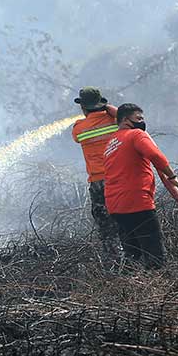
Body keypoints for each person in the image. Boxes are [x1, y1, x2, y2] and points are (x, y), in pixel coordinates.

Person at [102, 103, 178, 268]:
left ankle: (134, 286)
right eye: (138, 118)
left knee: (133, 253)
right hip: (137, 202)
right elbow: (155, 155)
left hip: (115, 206)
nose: (142, 122)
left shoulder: (111, 142)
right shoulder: (136, 134)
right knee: (153, 251)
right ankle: (157, 286)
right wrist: (171, 175)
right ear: (125, 119)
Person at [71, 87, 120, 253]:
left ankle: (113, 256)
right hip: (121, 177)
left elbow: (76, 136)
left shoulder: (80, 128)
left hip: (99, 182)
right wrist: (109, 109)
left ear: (83, 107)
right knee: (127, 216)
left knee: (104, 221)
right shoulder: (115, 121)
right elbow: (129, 117)